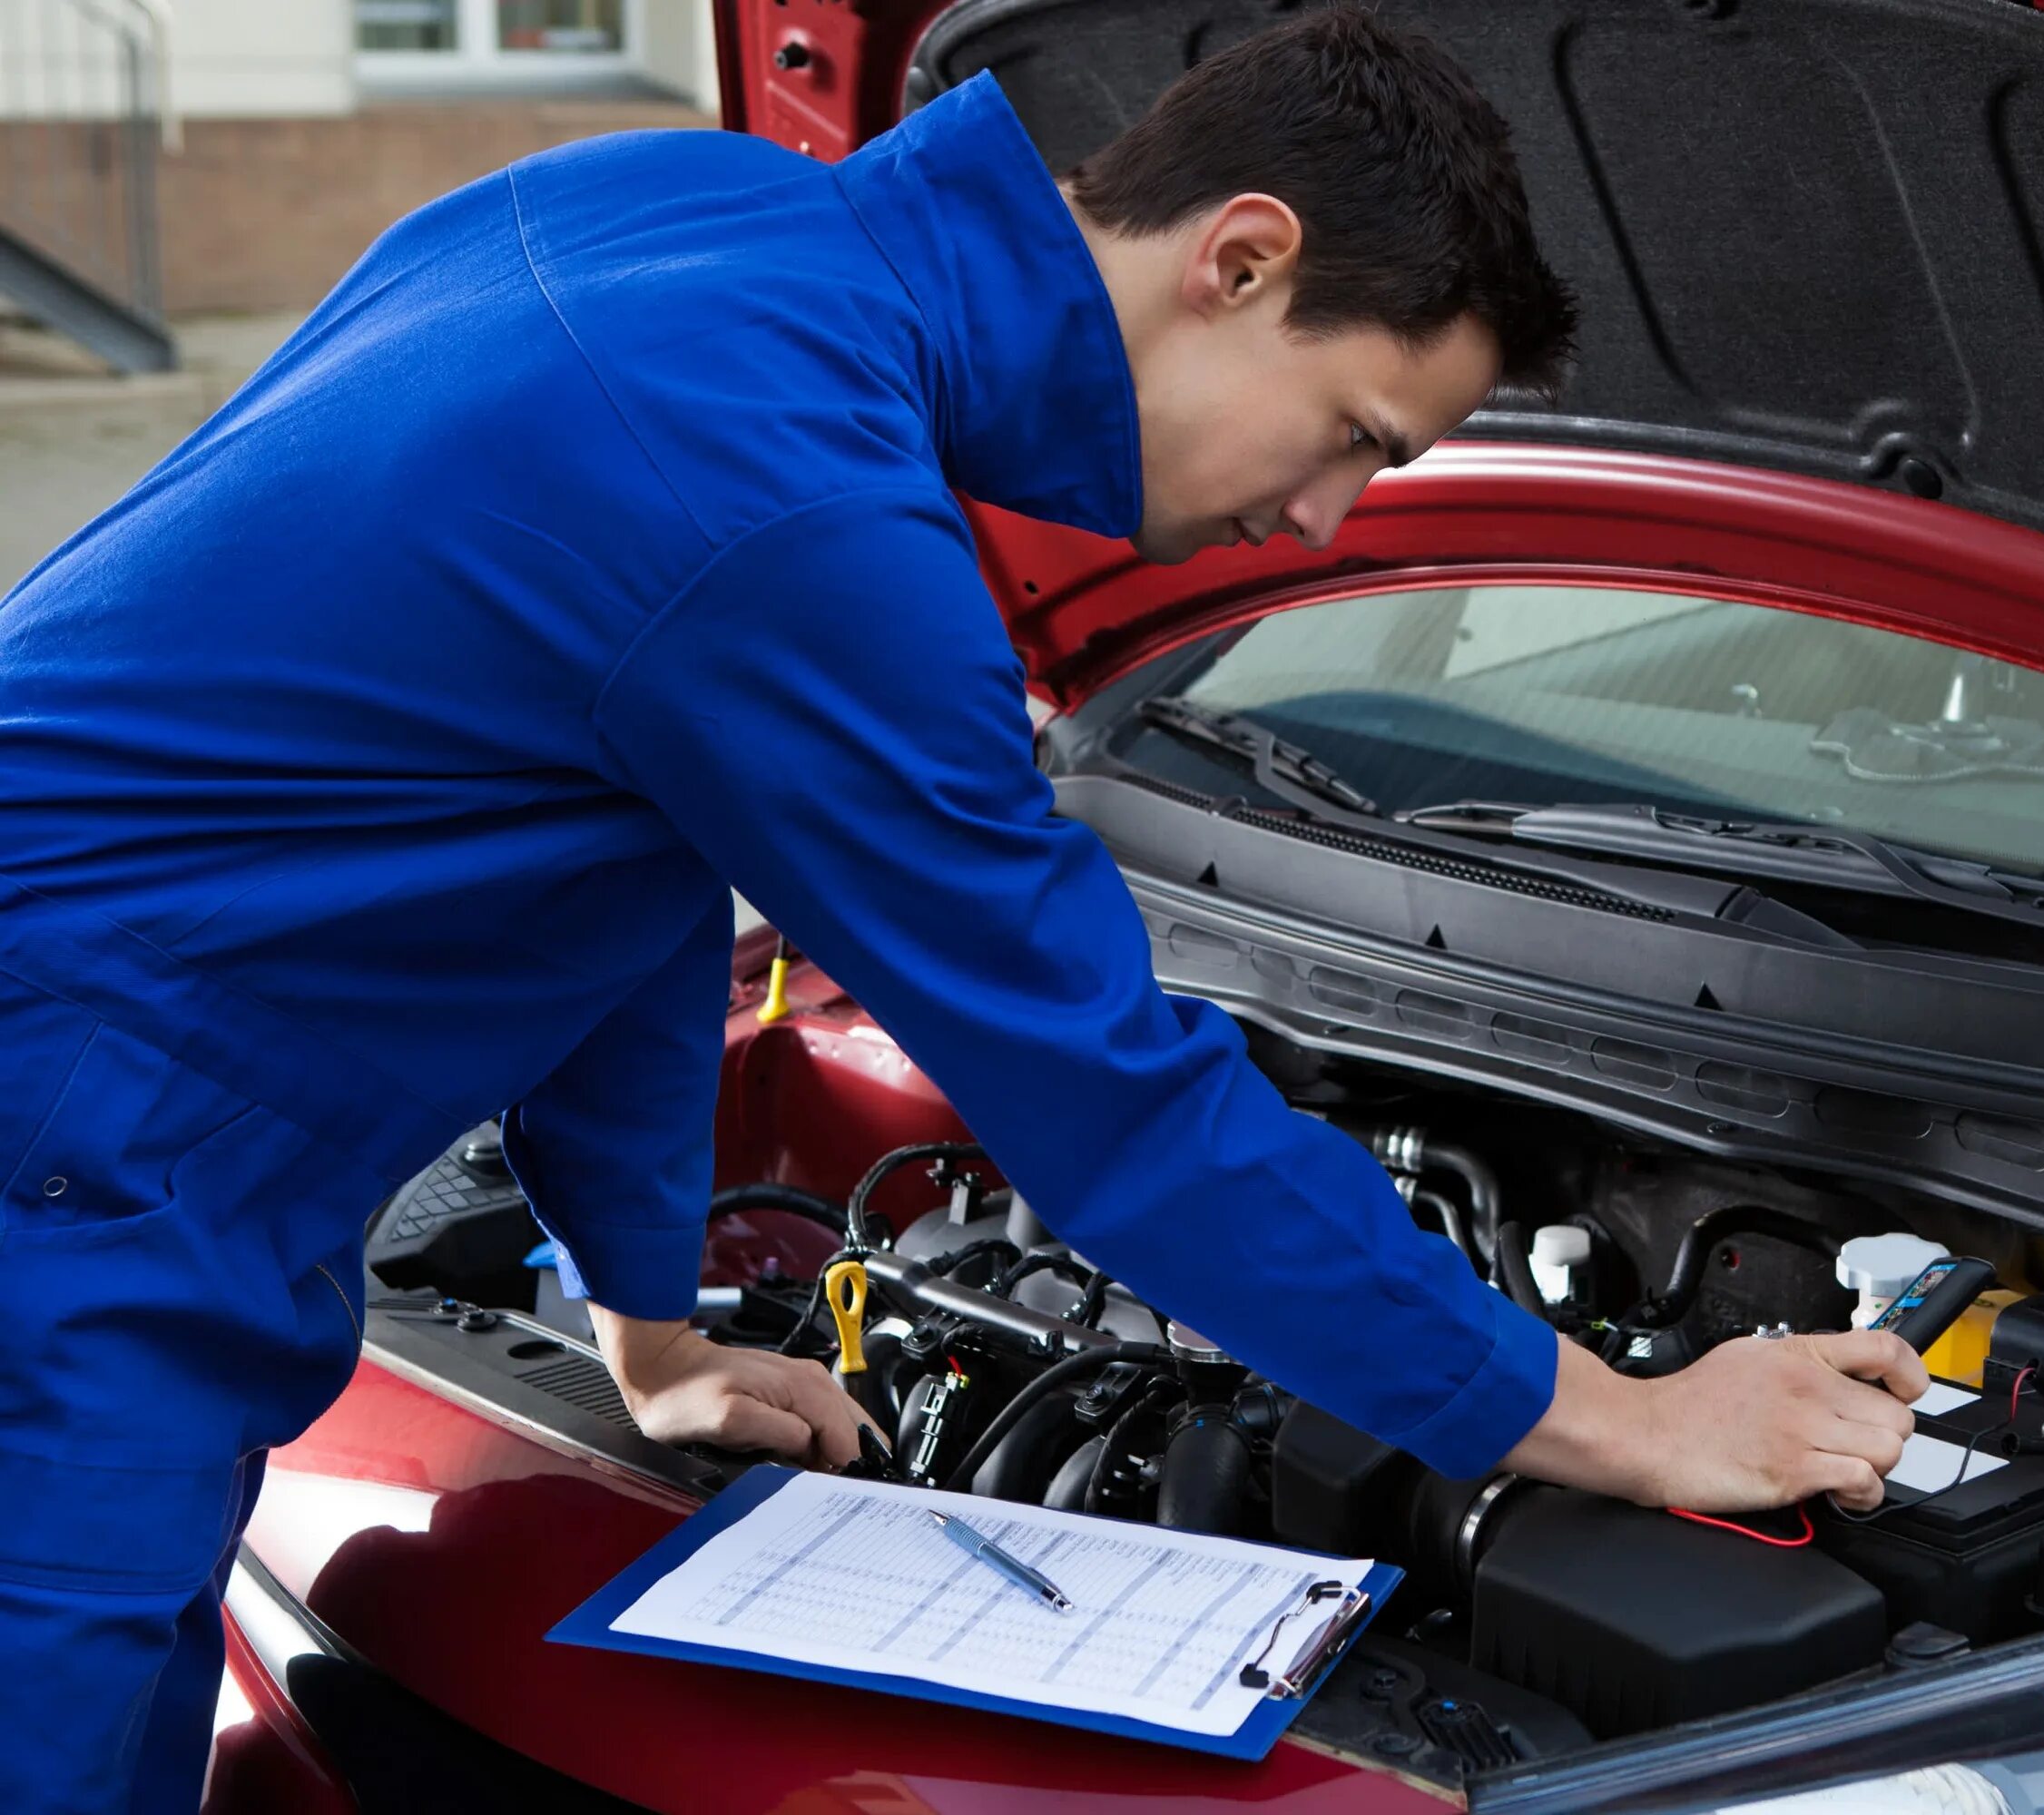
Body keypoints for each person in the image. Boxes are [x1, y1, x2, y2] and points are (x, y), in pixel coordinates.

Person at [0, 9, 1924, 1807]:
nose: (1329, 524)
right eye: (1355, 434)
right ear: (1238, 261)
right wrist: (1608, 1418)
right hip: (67, 1182)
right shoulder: (803, 503)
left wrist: (648, 1323)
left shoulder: (673, 209)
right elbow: (1114, 1107)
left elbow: (629, 862)